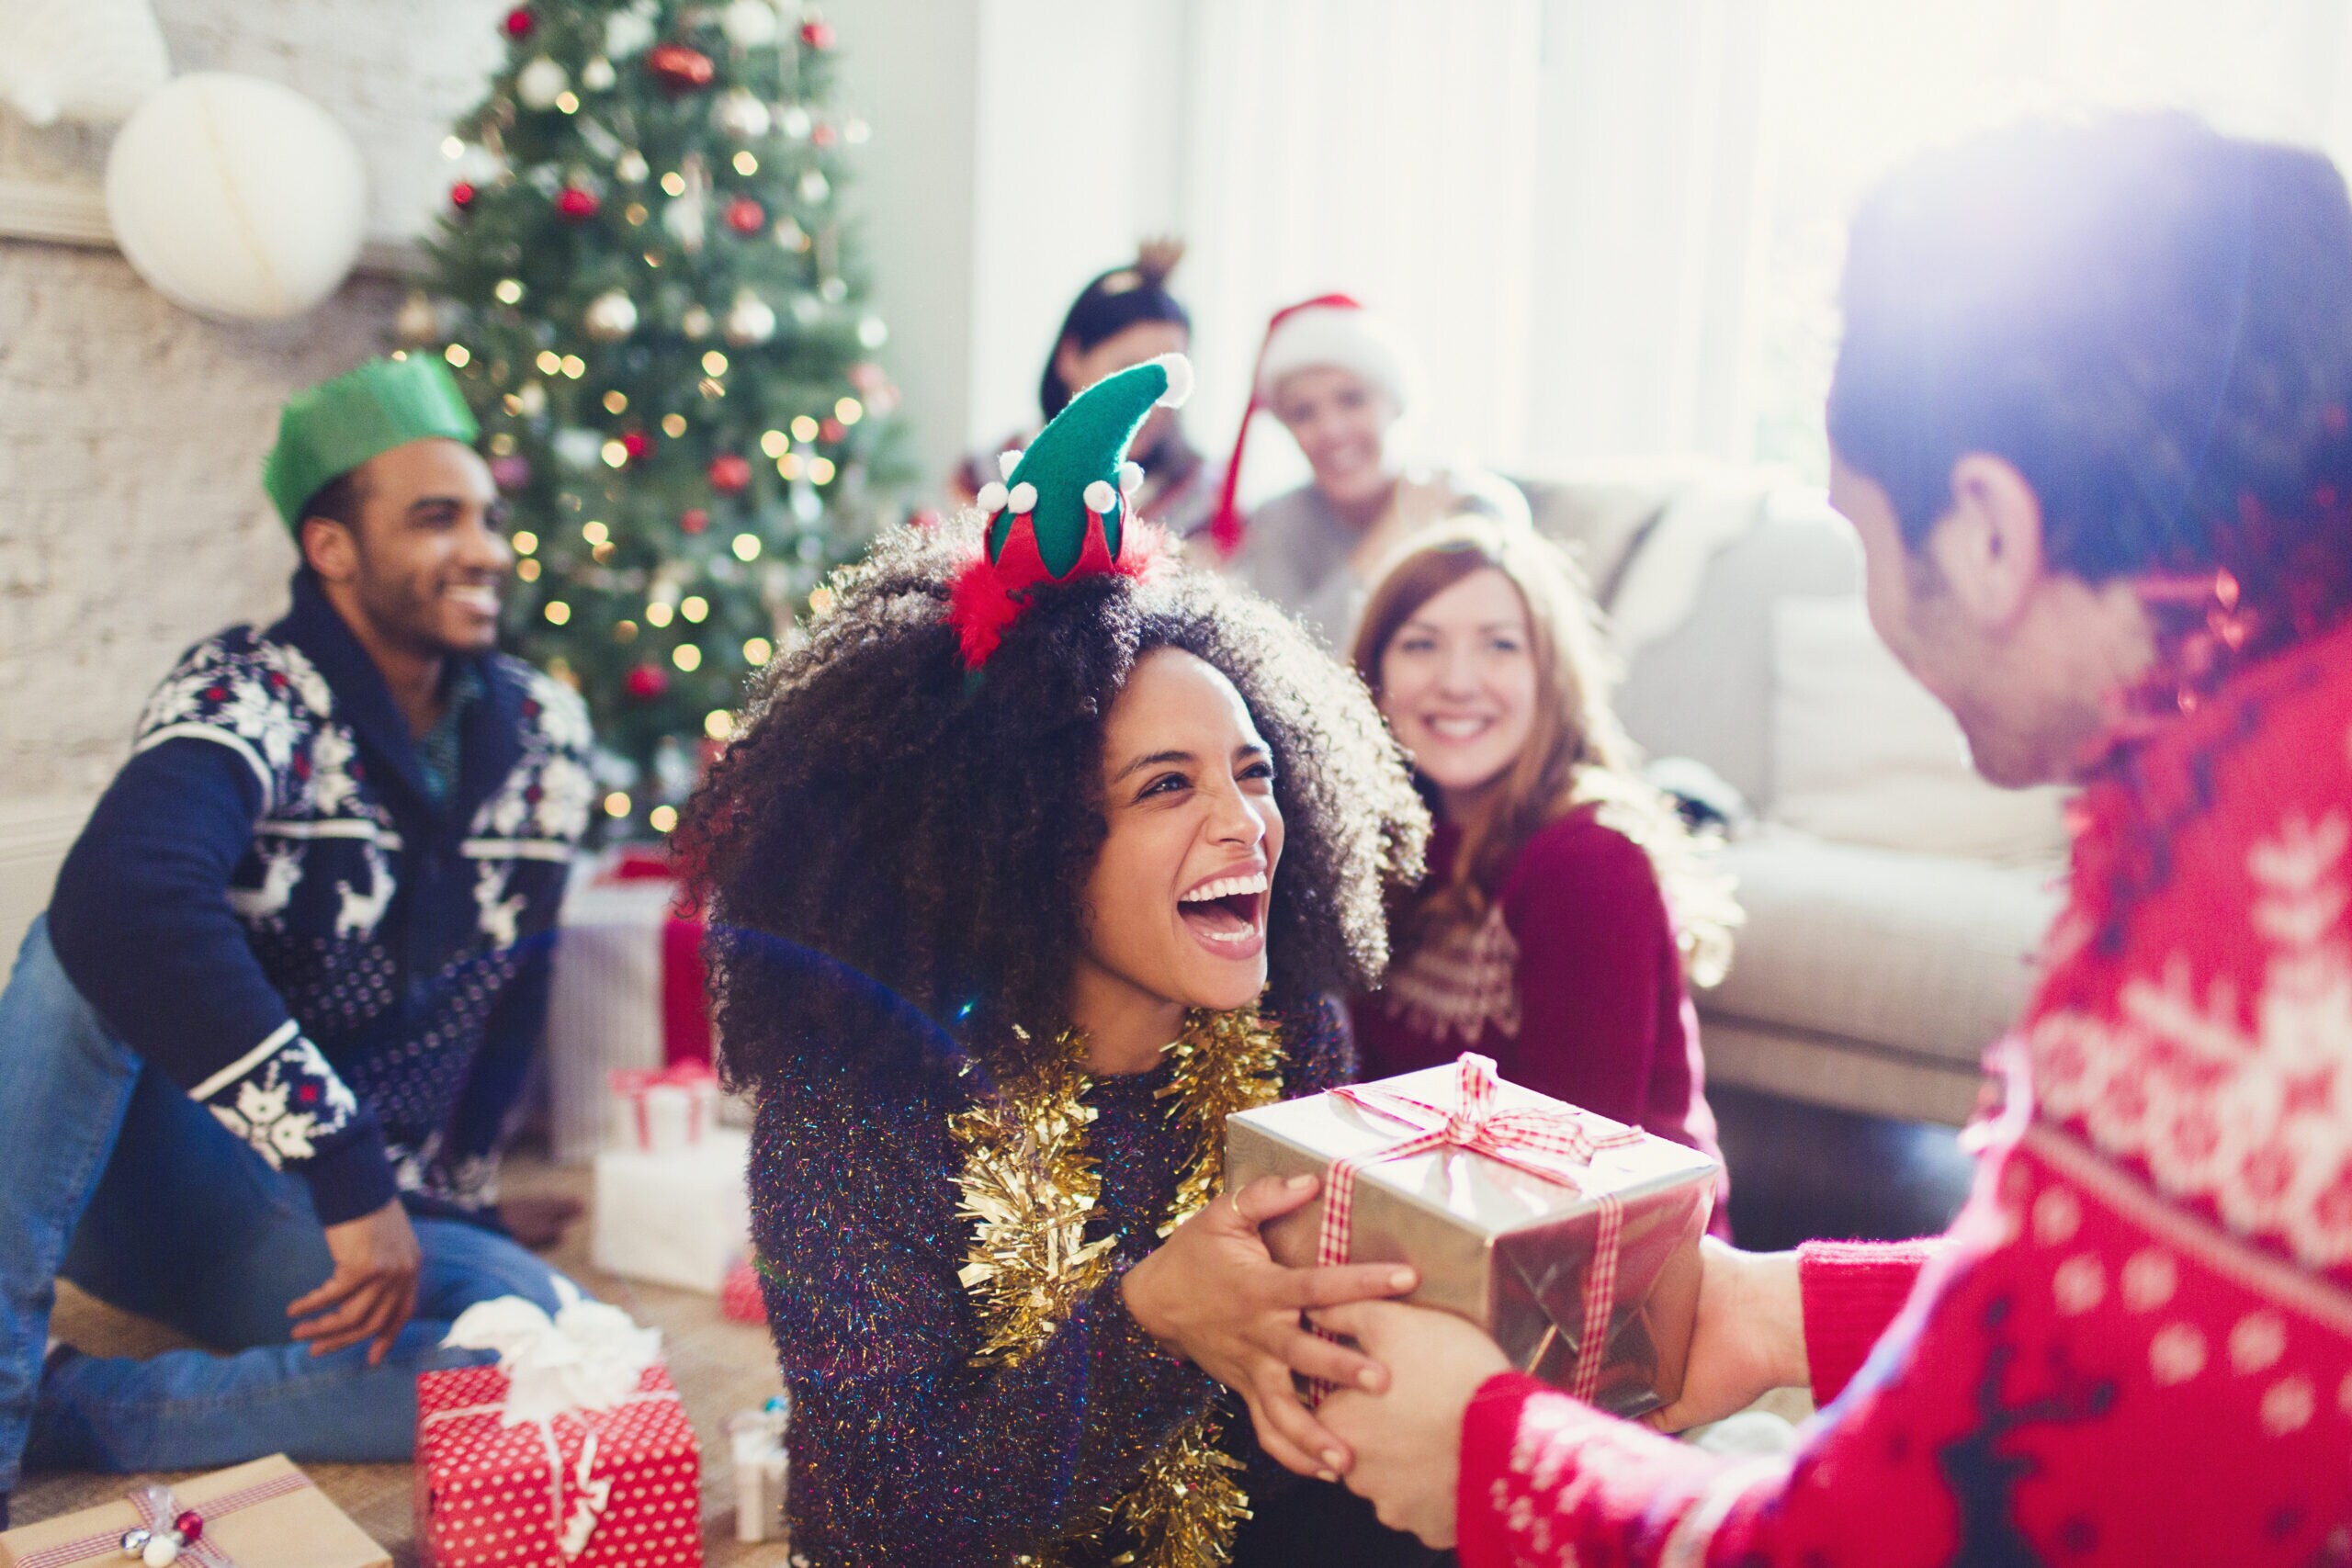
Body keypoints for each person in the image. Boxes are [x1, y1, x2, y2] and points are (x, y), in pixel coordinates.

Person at [1306, 114, 2352, 1564]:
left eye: (1860, 538)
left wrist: (1492, 1454)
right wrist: (1772, 1306)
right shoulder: (2274, 726)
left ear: (1987, 529)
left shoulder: (2256, 902)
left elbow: (1873, 1538)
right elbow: (2122, 1311)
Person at [681, 355, 1441, 1567]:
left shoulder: (1291, 1027)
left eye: (1253, 771)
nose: (1247, 823)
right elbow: (892, 1520)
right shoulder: (857, 1098)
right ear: (1023, 840)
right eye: (1165, 785)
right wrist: (1152, 1322)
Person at [0, 356, 594, 1521]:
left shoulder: (547, 731)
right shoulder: (244, 690)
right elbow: (127, 902)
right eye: (437, 518)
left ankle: (84, 1410)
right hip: (170, 1173)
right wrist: (350, 1171)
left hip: (306, 1231)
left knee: (545, 1349)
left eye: (488, 517)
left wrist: (456, 1198)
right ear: (332, 547)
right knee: (79, 942)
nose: (485, 548)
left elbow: (517, 982)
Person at [1347, 520, 1736, 1201]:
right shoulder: (1384, 842)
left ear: (1549, 676)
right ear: (1375, 677)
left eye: (1499, 645)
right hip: (1431, 1213)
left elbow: (1571, 1173)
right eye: (1420, 643)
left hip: (1616, 1249)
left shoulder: (1591, 862)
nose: (1458, 681)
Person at [1209, 295, 1530, 643]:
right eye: (1303, 413)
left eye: (1352, 400)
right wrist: (1394, 530)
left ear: (1394, 404)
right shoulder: (1279, 520)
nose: (1331, 430)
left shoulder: (1475, 505)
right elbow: (1288, 657)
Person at [951, 241, 1223, 538]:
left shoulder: (1207, 501)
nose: (1150, 404)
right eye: (1127, 370)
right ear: (1070, 357)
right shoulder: (984, 481)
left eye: (1168, 381)